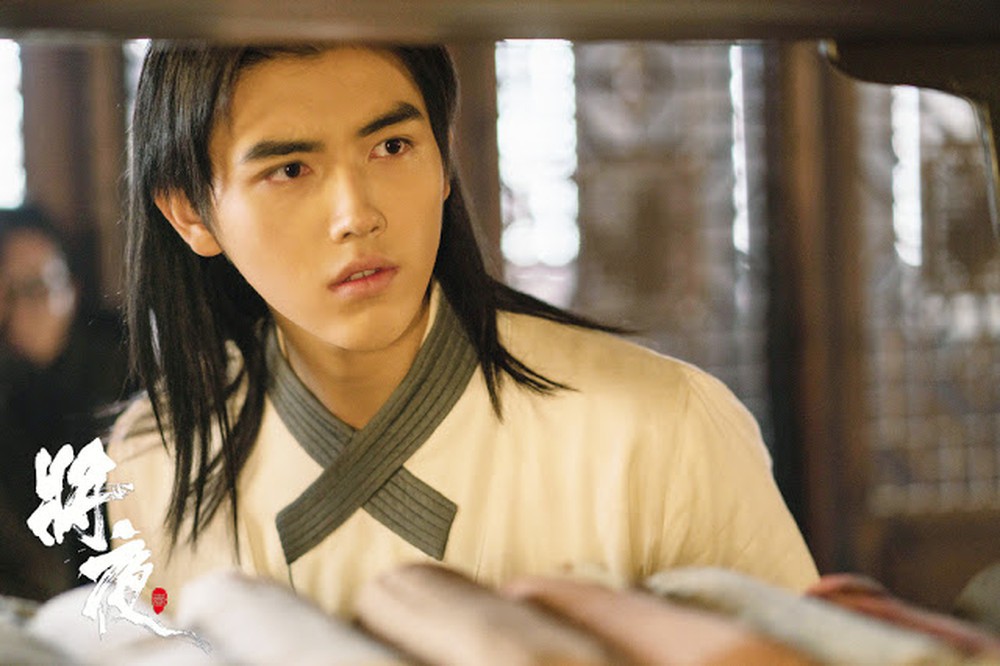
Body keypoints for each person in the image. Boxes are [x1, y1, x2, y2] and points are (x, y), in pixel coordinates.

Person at [108, 42, 818, 617]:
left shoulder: (661, 428)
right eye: (291, 169)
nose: (356, 214)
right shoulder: (154, 460)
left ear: (444, 160)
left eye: (391, 146)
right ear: (190, 213)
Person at [0, 206, 132, 600]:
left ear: (72, 288)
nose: (18, 311)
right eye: (5, 293)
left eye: (36, 288)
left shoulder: (120, 365)